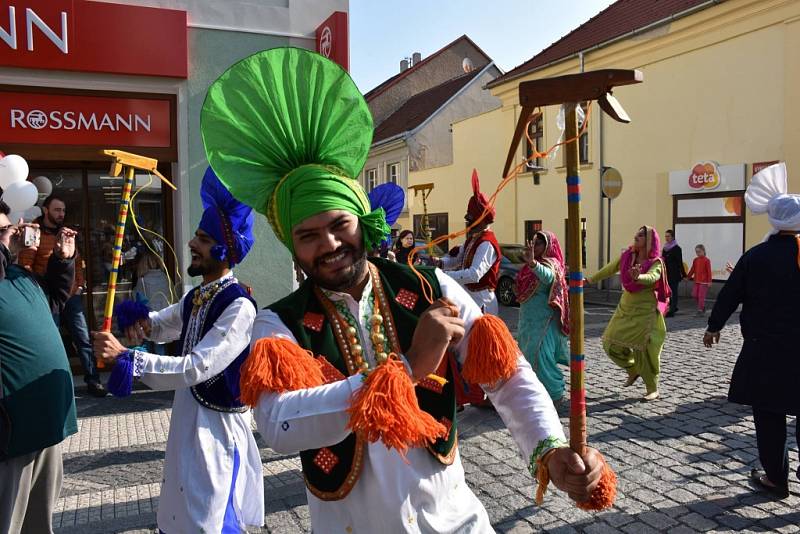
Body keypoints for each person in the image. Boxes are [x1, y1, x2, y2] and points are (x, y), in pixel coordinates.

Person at [200, 47, 604, 533]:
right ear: (293, 247)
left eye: (338, 224)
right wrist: (409, 367)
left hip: (455, 522)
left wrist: (549, 448)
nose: (328, 244)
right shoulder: (277, 324)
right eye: (307, 235)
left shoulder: (429, 286)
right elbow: (280, 424)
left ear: (362, 223)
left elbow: (506, 374)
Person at [92, 167, 264, 533]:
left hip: (218, 430)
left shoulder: (239, 307)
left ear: (223, 247)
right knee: (182, 507)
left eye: (202, 239)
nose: (191, 243)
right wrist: (138, 322)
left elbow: (196, 367)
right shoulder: (197, 295)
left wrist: (127, 357)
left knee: (212, 515)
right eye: (197, 236)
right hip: (189, 419)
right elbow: (163, 322)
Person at [703, 162, 799, 500]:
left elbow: (731, 293)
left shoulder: (756, 256)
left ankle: (777, 479)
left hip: (766, 351)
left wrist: (714, 327)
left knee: (770, 416)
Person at [0, 201, 78, 534]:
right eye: (4, 230)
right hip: (12, 436)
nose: (14, 232)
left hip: (47, 428)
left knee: (38, 525)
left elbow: (55, 299)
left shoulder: (18, 275)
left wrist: (62, 260)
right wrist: (7, 247)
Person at [18, 194, 107, 397]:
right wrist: (38, 291)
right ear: (46, 210)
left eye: (64, 210)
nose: (61, 214)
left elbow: (78, 262)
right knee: (51, 342)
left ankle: (93, 381)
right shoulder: (34, 232)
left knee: (83, 339)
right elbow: (25, 266)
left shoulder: (66, 233)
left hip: (71, 296)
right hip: (47, 298)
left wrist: (80, 286)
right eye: (57, 210)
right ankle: (52, 385)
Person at [587, 226, 670, 402]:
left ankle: (652, 388)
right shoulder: (627, 256)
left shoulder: (656, 262)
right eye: (637, 233)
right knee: (609, 343)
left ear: (649, 241)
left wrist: (639, 277)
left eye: (641, 234)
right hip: (625, 308)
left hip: (645, 312)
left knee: (644, 351)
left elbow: (653, 277)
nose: (636, 236)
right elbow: (610, 268)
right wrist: (591, 279)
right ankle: (632, 369)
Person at [514, 231, 570, 402]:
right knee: (526, 355)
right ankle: (535, 391)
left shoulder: (551, 263)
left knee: (541, 356)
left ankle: (555, 392)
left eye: (539, 243)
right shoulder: (529, 266)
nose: (535, 245)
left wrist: (532, 263)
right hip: (528, 319)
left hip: (544, 321)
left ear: (548, 246)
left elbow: (548, 278)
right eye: (534, 241)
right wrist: (530, 263)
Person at [440, 169, 501, 315]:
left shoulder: (486, 244)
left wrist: (445, 276)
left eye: (470, 220)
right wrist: (440, 263)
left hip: (482, 302)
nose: (467, 224)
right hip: (468, 297)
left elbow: (474, 274)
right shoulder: (472, 239)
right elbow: (458, 260)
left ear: (480, 221)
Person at [133, 249, 172, 355]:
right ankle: (162, 370)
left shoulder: (142, 280)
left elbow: (137, 299)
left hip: (148, 318)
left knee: (148, 347)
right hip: (164, 316)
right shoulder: (165, 277)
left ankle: (150, 370)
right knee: (160, 347)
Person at [662, 229, 686, 317]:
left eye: (668, 236)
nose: (666, 238)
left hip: (674, 274)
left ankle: (672, 311)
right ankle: (672, 307)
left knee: (674, 292)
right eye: (665, 236)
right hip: (666, 273)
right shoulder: (665, 248)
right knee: (668, 292)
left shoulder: (677, 248)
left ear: (672, 237)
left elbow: (680, 262)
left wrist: (684, 275)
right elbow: (663, 260)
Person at [687, 244, 712, 315]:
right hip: (696, 281)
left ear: (703, 251)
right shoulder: (695, 260)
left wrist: (709, 281)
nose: (698, 253)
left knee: (701, 296)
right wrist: (688, 277)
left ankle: (700, 310)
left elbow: (709, 271)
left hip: (704, 282)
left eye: (699, 251)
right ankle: (702, 306)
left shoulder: (707, 260)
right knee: (694, 295)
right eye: (696, 252)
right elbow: (692, 269)